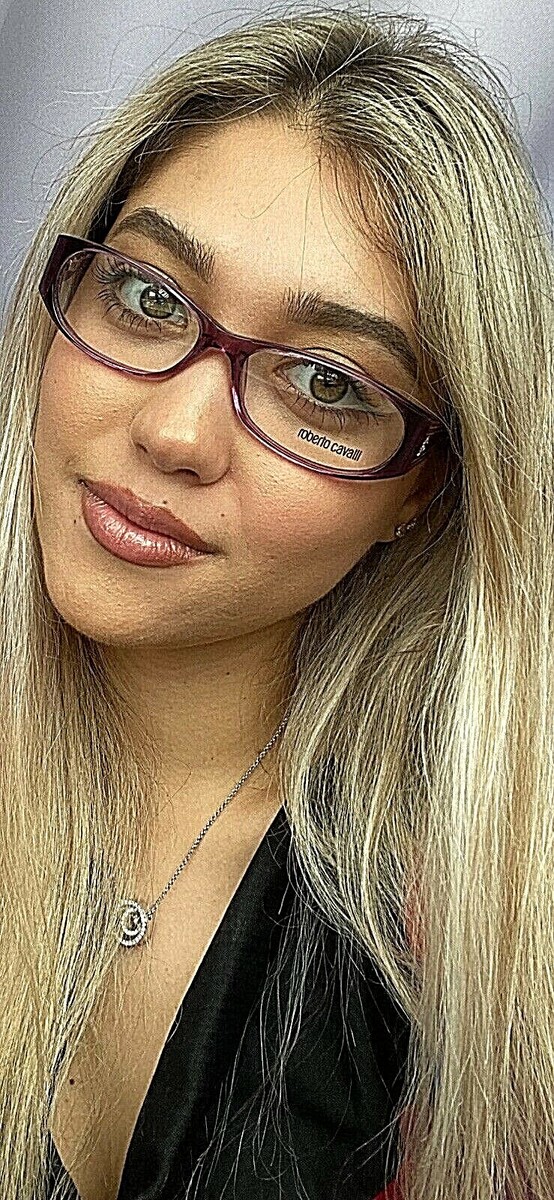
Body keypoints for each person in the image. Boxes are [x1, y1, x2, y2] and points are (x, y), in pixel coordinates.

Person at [0, 4, 551, 1199]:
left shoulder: (489, 946)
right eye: (147, 297)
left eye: (324, 384)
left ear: (422, 490)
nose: (176, 432)